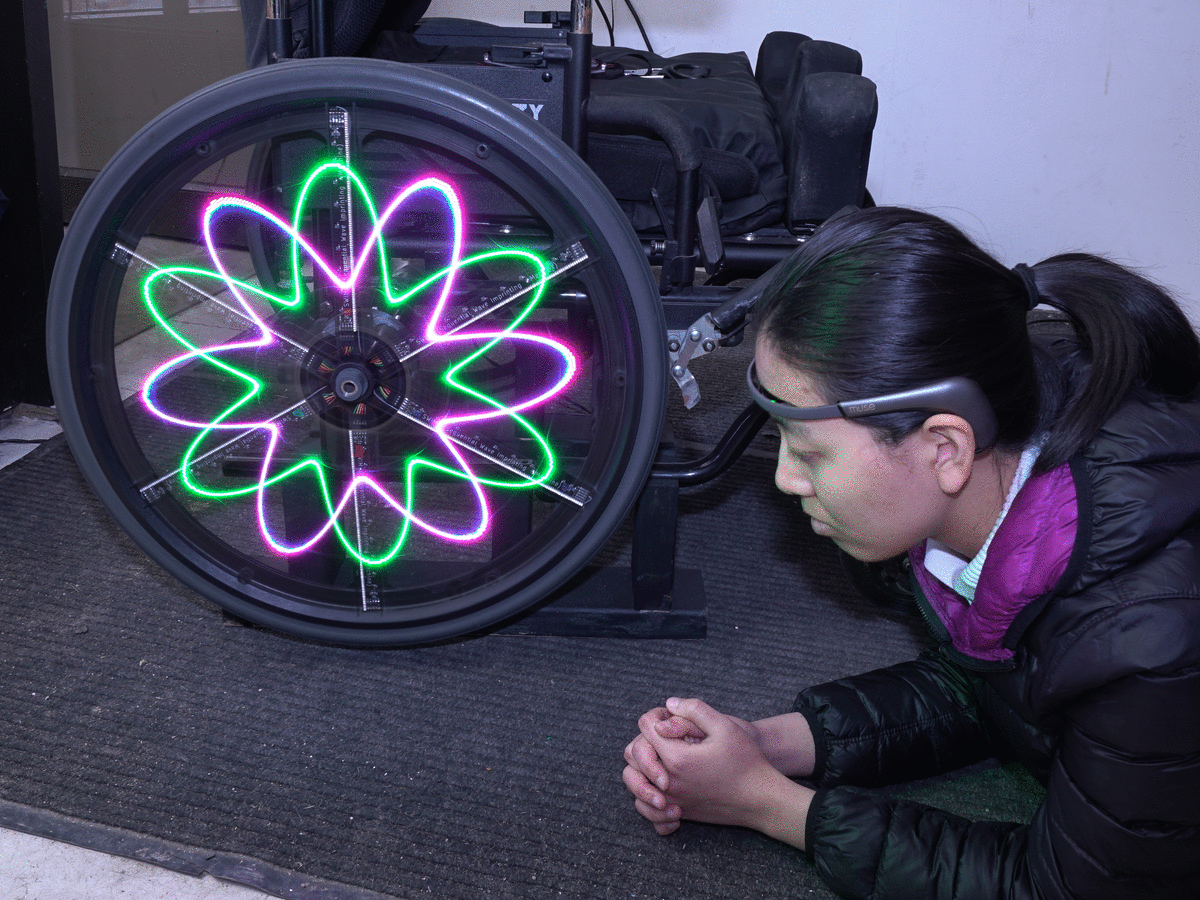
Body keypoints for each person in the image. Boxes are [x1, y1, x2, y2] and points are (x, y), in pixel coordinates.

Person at [621, 206, 1200, 900]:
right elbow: (997, 677)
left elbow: (1066, 890)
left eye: (808, 451)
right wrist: (769, 744)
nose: (783, 479)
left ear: (945, 448)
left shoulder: (1150, 634)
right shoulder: (1014, 451)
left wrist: (768, 805)